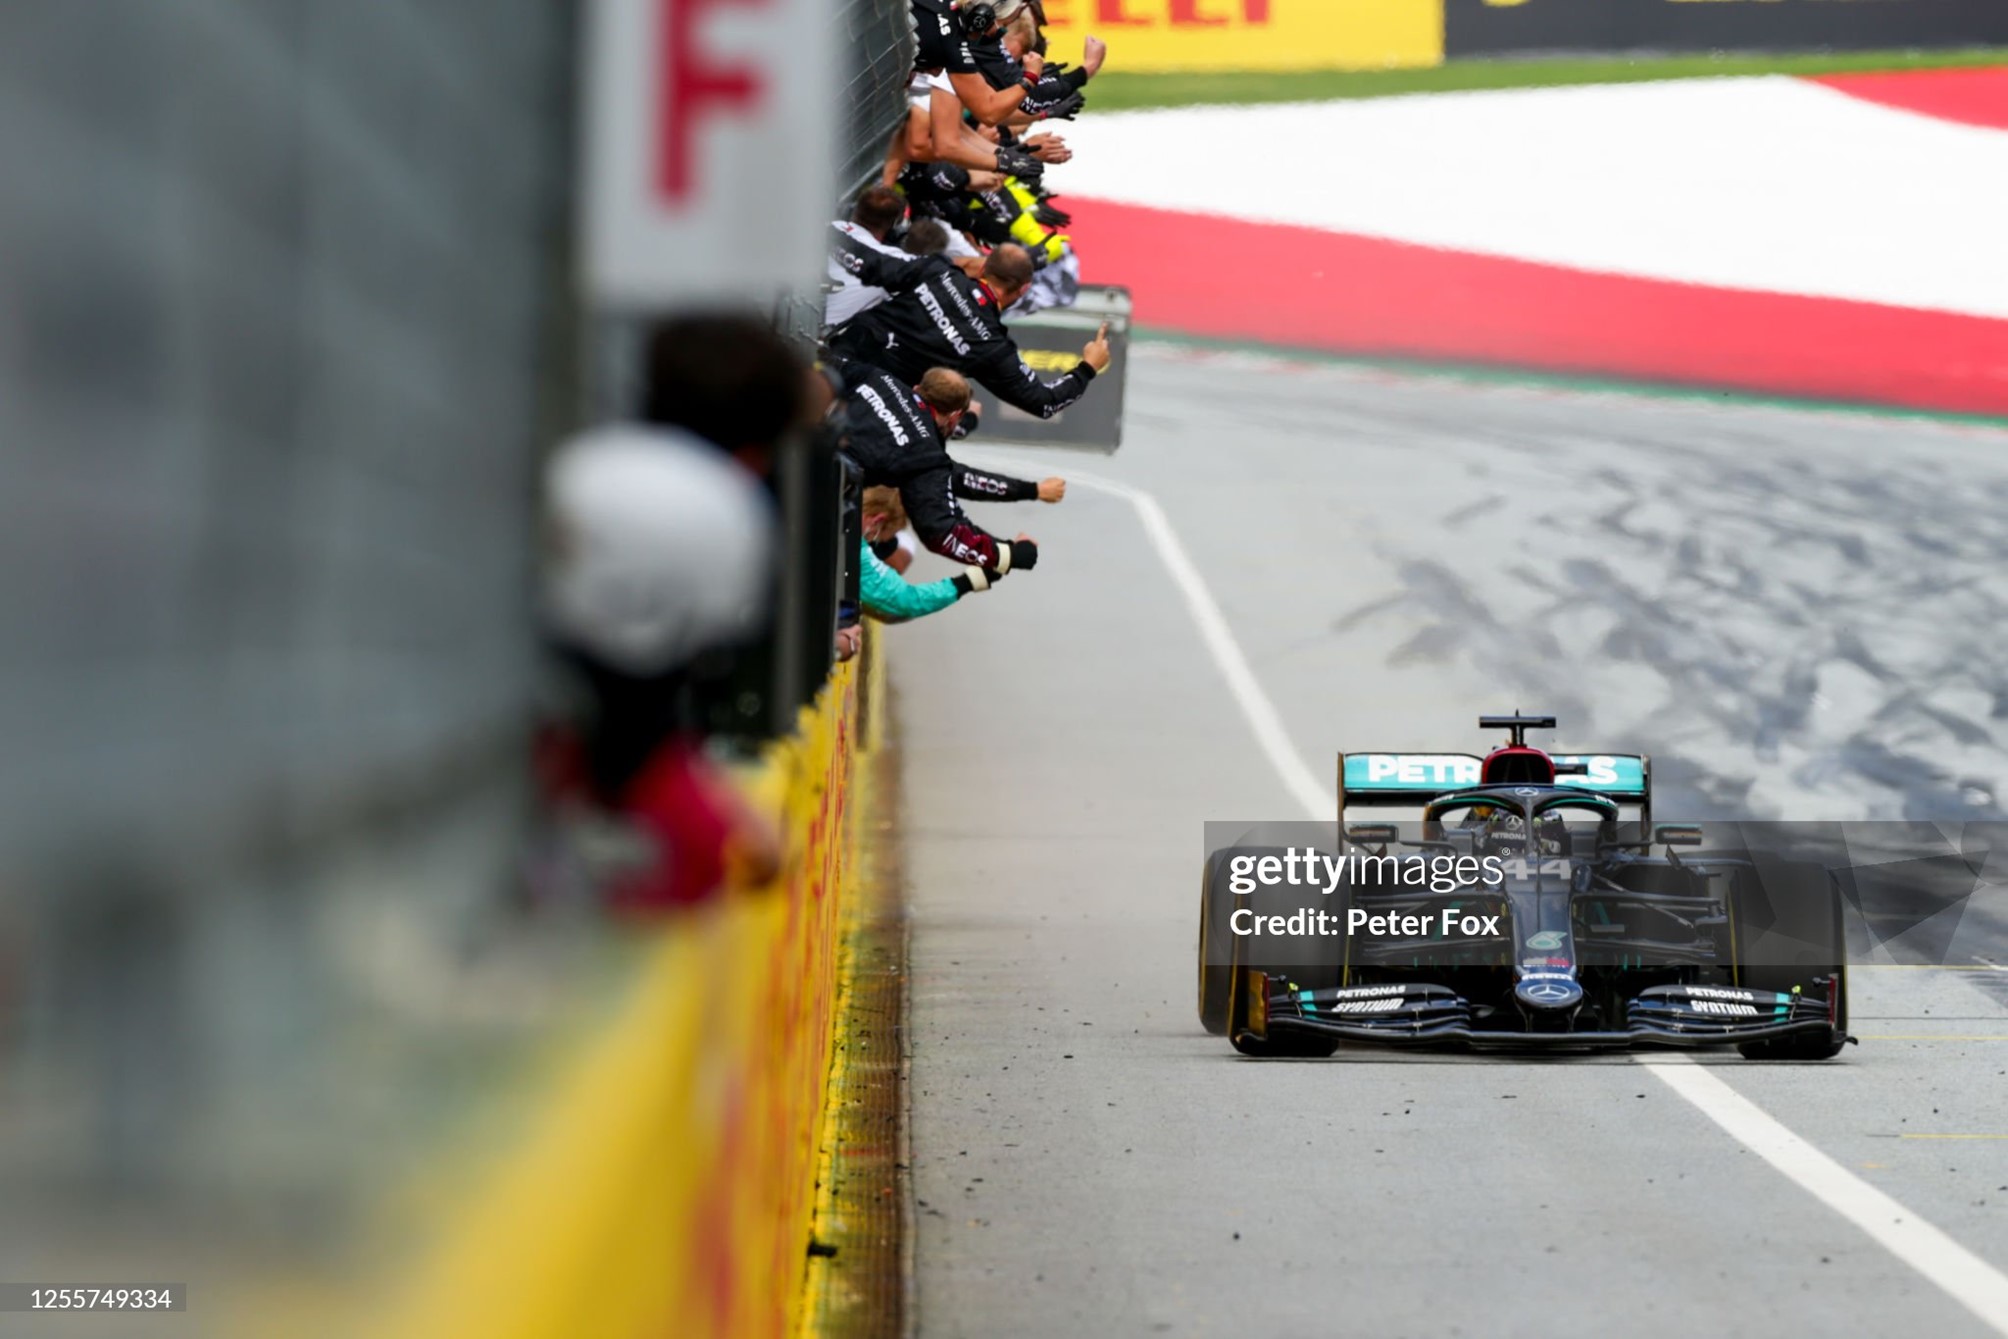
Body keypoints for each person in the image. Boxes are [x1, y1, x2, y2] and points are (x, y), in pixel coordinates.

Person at [828, 243, 1110, 420]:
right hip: (870, 403)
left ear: (985, 266)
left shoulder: (937, 271)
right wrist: (1088, 367)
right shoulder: (991, 347)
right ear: (1024, 289)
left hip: (832, 363)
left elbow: (868, 263)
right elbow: (1044, 403)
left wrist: (828, 234)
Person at [833, 360, 1040, 573]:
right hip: (819, 491)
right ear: (955, 416)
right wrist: (1011, 554)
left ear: (917, 388)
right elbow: (942, 533)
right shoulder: (927, 455)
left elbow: (822, 365)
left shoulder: (878, 376)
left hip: (802, 449)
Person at [858, 486, 1007, 623]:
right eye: (875, 539)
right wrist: (966, 582)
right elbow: (907, 601)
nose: (872, 543)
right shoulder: (860, 550)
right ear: (877, 521)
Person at [826, 185, 910, 328]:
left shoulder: (830, 227)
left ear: (854, 210)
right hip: (826, 341)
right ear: (893, 229)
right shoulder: (895, 262)